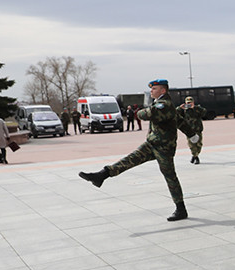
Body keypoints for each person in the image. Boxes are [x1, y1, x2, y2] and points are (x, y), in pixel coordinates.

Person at [78, 79, 198, 221]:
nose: (152, 91)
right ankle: (102, 175)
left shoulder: (164, 105)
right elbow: (180, 121)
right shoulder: (163, 104)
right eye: (152, 89)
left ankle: (181, 209)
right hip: (152, 144)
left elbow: (146, 114)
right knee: (130, 159)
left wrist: (140, 111)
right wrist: (191, 134)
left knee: (170, 176)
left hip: (164, 148)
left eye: (155, 89)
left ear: (163, 91)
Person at [178, 96, 206, 164]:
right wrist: (180, 108)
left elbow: (204, 112)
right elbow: (174, 113)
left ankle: (194, 156)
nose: (189, 104)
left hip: (198, 129)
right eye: (187, 103)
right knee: (192, 145)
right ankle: (196, 157)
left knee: (199, 145)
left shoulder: (197, 108)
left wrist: (195, 108)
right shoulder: (184, 110)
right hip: (189, 130)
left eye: (190, 102)